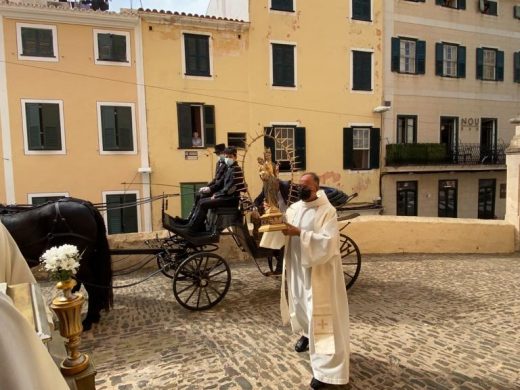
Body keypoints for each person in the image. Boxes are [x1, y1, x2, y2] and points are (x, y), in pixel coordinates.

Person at [280, 172, 350, 389]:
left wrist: (299, 233)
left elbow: (329, 243)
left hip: (319, 272)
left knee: (321, 316)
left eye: (306, 186)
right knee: (301, 306)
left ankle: (327, 372)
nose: (302, 189)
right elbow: (281, 229)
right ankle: (306, 336)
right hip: (298, 269)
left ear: (316, 188)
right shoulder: (294, 208)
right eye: (299, 185)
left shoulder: (327, 211)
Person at [178, 146, 246, 233]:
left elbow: (229, 190)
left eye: (230, 157)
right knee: (201, 201)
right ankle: (192, 224)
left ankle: (193, 228)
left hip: (230, 200)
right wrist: (209, 189)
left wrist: (217, 195)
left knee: (203, 204)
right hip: (225, 197)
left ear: (235, 157)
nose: (228, 159)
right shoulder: (230, 168)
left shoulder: (236, 170)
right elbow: (220, 183)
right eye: (226, 157)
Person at [174, 143, 227, 224]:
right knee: (198, 196)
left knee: (202, 198)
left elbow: (221, 182)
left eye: (220, 153)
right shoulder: (218, 163)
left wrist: (210, 189)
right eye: (217, 154)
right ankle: (190, 219)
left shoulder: (227, 164)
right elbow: (215, 179)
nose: (219, 155)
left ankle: (197, 222)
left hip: (219, 190)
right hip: (215, 187)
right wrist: (207, 186)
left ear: (224, 153)